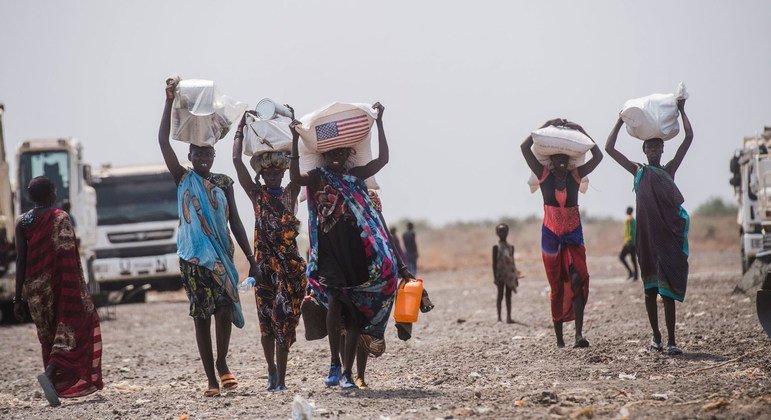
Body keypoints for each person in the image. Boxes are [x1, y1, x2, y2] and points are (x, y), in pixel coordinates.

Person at [159, 77, 259, 396]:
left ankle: (222, 362)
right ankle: (211, 379)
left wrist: (252, 258)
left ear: (213, 156)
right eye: (198, 155)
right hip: (192, 258)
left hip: (221, 256)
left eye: (208, 155)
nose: (203, 159)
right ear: (190, 155)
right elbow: (163, 143)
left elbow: (236, 223)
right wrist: (167, 101)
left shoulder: (224, 182)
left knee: (224, 308)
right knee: (201, 315)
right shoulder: (183, 179)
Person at [289, 102, 397, 389]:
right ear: (323, 153)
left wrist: (380, 122)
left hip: (355, 252)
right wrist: (295, 140)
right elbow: (295, 177)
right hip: (328, 254)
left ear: (349, 151)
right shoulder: (316, 178)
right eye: (331, 152)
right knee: (336, 304)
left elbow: (383, 159)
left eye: (341, 151)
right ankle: (335, 364)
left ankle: (348, 372)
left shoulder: (355, 177)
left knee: (354, 313)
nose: (336, 155)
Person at [605, 98, 692, 355]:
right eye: (650, 147)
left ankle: (673, 340)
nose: (654, 151)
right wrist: (621, 119)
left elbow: (688, 139)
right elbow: (609, 148)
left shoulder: (669, 170)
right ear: (644, 150)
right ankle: (656, 337)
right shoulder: (638, 171)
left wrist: (683, 110)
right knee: (649, 290)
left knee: (667, 295)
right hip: (646, 240)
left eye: (657, 147)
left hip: (667, 240)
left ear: (662, 150)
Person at [232, 110, 307, 392]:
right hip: (264, 270)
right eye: (269, 172)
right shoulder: (257, 195)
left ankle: (282, 381)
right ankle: (271, 370)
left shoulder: (291, 192)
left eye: (278, 171)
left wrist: (295, 132)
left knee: (283, 324)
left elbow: (298, 165)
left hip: (289, 270)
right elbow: (237, 162)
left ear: (284, 171)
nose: (274, 175)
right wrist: (239, 131)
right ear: (262, 174)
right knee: (266, 324)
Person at [13, 176, 103, 406]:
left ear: (29, 196)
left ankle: (52, 385)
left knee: (50, 334)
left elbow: (21, 260)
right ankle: (51, 374)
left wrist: (17, 297)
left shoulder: (21, 222)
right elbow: (68, 256)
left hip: (35, 290)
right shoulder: (60, 217)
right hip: (62, 286)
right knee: (74, 327)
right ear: (52, 193)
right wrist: (79, 290)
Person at [521, 118, 603, 348]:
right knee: (557, 286)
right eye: (557, 158)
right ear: (549, 161)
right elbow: (524, 148)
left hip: (573, 234)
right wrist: (546, 126)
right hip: (550, 235)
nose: (561, 162)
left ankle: (579, 334)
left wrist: (581, 130)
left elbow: (598, 156)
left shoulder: (576, 176)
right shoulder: (543, 175)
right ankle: (559, 338)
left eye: (565, 159)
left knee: (578, 278)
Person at [492, 223, 518, 323]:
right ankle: (499, 317)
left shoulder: (511, 247)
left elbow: (513, 262)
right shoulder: (496, 247)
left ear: (507, 232)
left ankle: (509, 317)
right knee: (500, 295)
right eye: (500, 231)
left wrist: (515, 276)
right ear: (497, 233)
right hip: (500, 275)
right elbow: (494, 263)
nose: (502, 233)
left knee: (508, 295)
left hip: (510, 275)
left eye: (504, 230)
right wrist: (495, 277)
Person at [619, 206, 638, 280]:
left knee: (621, 257)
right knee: (633, 259)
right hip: (634, 242)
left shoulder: (628, 219)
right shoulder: (633, 219)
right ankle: (636, 276)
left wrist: (628, 240)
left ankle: (630, 272)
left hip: (629, 242)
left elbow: (630, 231)